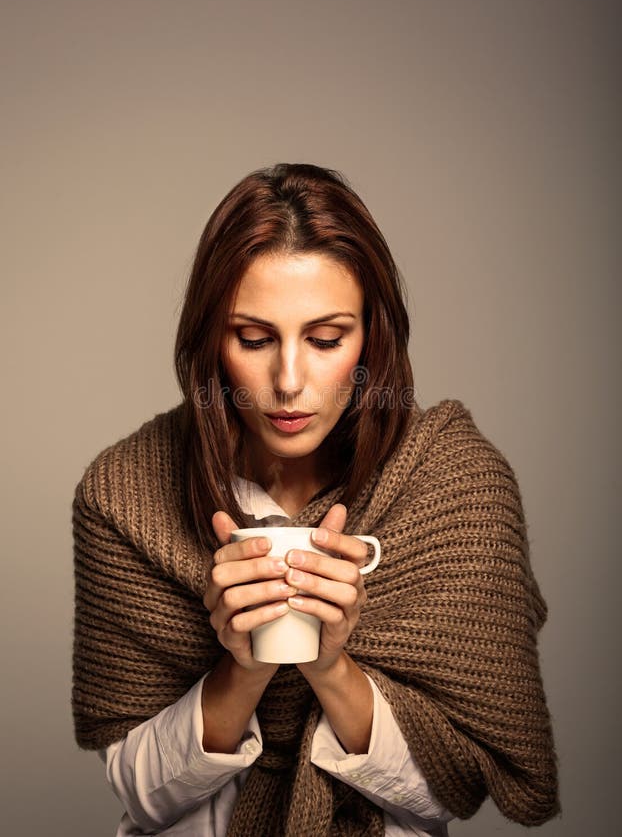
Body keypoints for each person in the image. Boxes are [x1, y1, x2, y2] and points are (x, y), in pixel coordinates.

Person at [72, 162, 559, 836]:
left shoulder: (454, 484)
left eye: (327, 339)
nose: (289, 380)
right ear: (211, 340)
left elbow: (455, 791)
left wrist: (331, 668)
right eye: (254, 338)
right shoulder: (126, 495)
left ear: (372, 339)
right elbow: (141, 794)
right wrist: (243, 669)